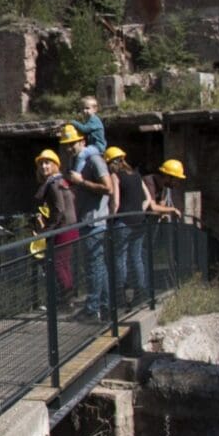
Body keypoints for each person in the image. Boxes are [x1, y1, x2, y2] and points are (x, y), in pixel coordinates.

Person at [60, 122, 115, 320]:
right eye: (66, 145)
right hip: (86, 220)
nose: (68, 148)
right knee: (97, 265)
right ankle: (107, 306)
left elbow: (108, 188)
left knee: (94, 266)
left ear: (82, 141)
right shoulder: (78, 161)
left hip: (94, 221)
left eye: (72, 144)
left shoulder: (94, 160)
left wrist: (81, 182)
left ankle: (92, 309)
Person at [106, 147, 154, 302]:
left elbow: (116, 201)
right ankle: (142, 291)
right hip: (139, 222)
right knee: (137, 257)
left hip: (123, 222)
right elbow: (147, 198)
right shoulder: (136, 175)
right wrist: (140, 210)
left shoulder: (115, 176)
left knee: (120, 257)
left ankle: (121, 292)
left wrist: (111, 218)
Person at [33, 148, 78, 301]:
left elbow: (59, 209)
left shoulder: (53, 184)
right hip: (70, 228)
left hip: (63, 229)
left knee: (58, 264)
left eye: (47, 163)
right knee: (64, 264)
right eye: (41, 164)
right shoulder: (61, 180)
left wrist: (47, 230)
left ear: (54, 164)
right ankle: (69, 296)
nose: (43, 166)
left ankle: (67, 297)